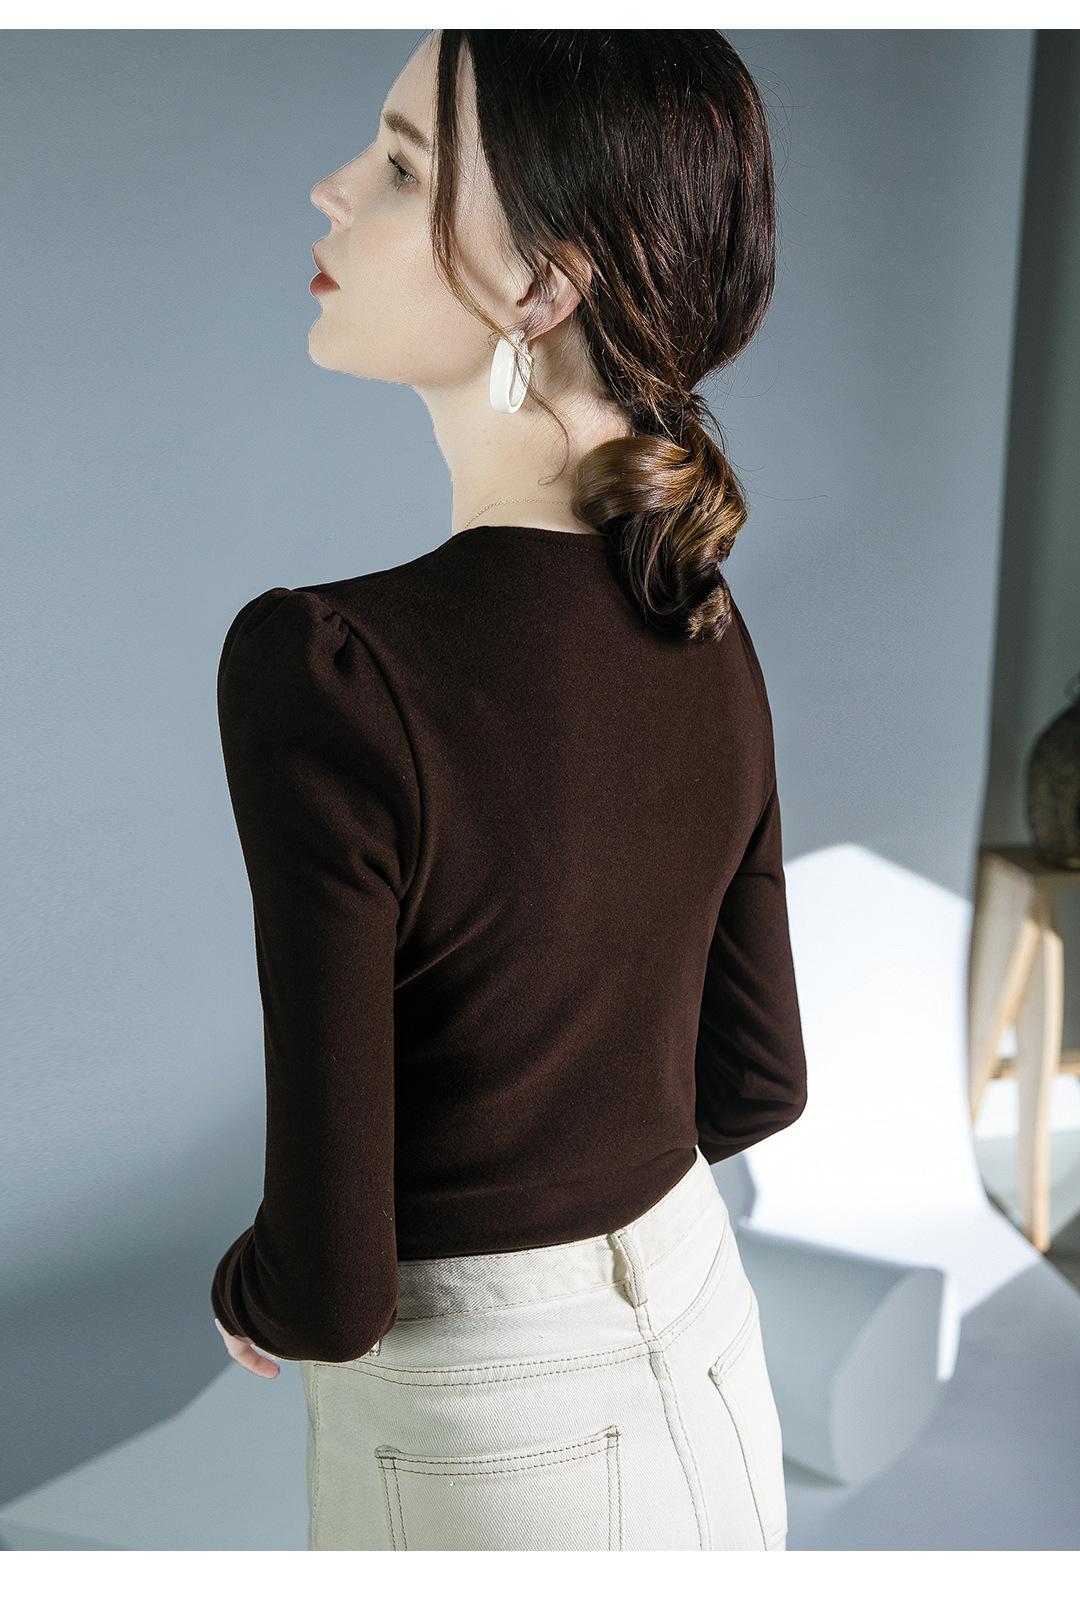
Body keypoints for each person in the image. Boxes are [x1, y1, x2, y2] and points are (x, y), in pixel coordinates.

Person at [209, 28, 807, 1551]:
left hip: (488, 1463)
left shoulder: (328, 670)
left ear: (543, 287)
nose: (332, 188)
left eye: (404, 167)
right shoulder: (703, 617)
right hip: (718, 1376)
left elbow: (330, 1290)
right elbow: (758, 1083)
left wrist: (245, 1292)